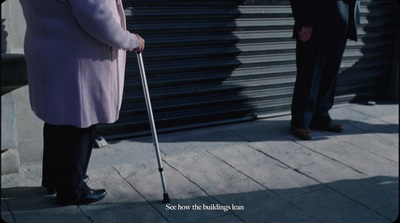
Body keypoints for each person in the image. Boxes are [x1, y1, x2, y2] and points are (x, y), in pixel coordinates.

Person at [19, 0, 145, 205]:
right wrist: (129, 40)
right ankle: (72, 189)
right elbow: (96, 16)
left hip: (48, 47)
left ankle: (54, 179)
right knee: (81, 119)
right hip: (77, 55)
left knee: (56, 116)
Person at [289, 0, 360, 140]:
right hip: (318, 21)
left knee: (330, 74)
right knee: (309, 74)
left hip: (341, 22)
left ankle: (321, 116)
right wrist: (304, 21)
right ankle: (300, 122)